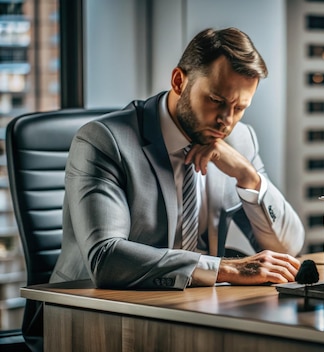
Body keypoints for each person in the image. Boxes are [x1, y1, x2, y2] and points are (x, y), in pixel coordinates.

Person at [24, 27, 305, 350]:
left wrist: (248, 176)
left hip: (189, 311)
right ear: (178, 81)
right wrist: (225, 268)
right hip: (86, 320)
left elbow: (290, 245)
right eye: (215, 100)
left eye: (239, 108)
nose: (226, 121)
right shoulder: (104, 141)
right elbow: (106, 258)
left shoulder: (238, 140)